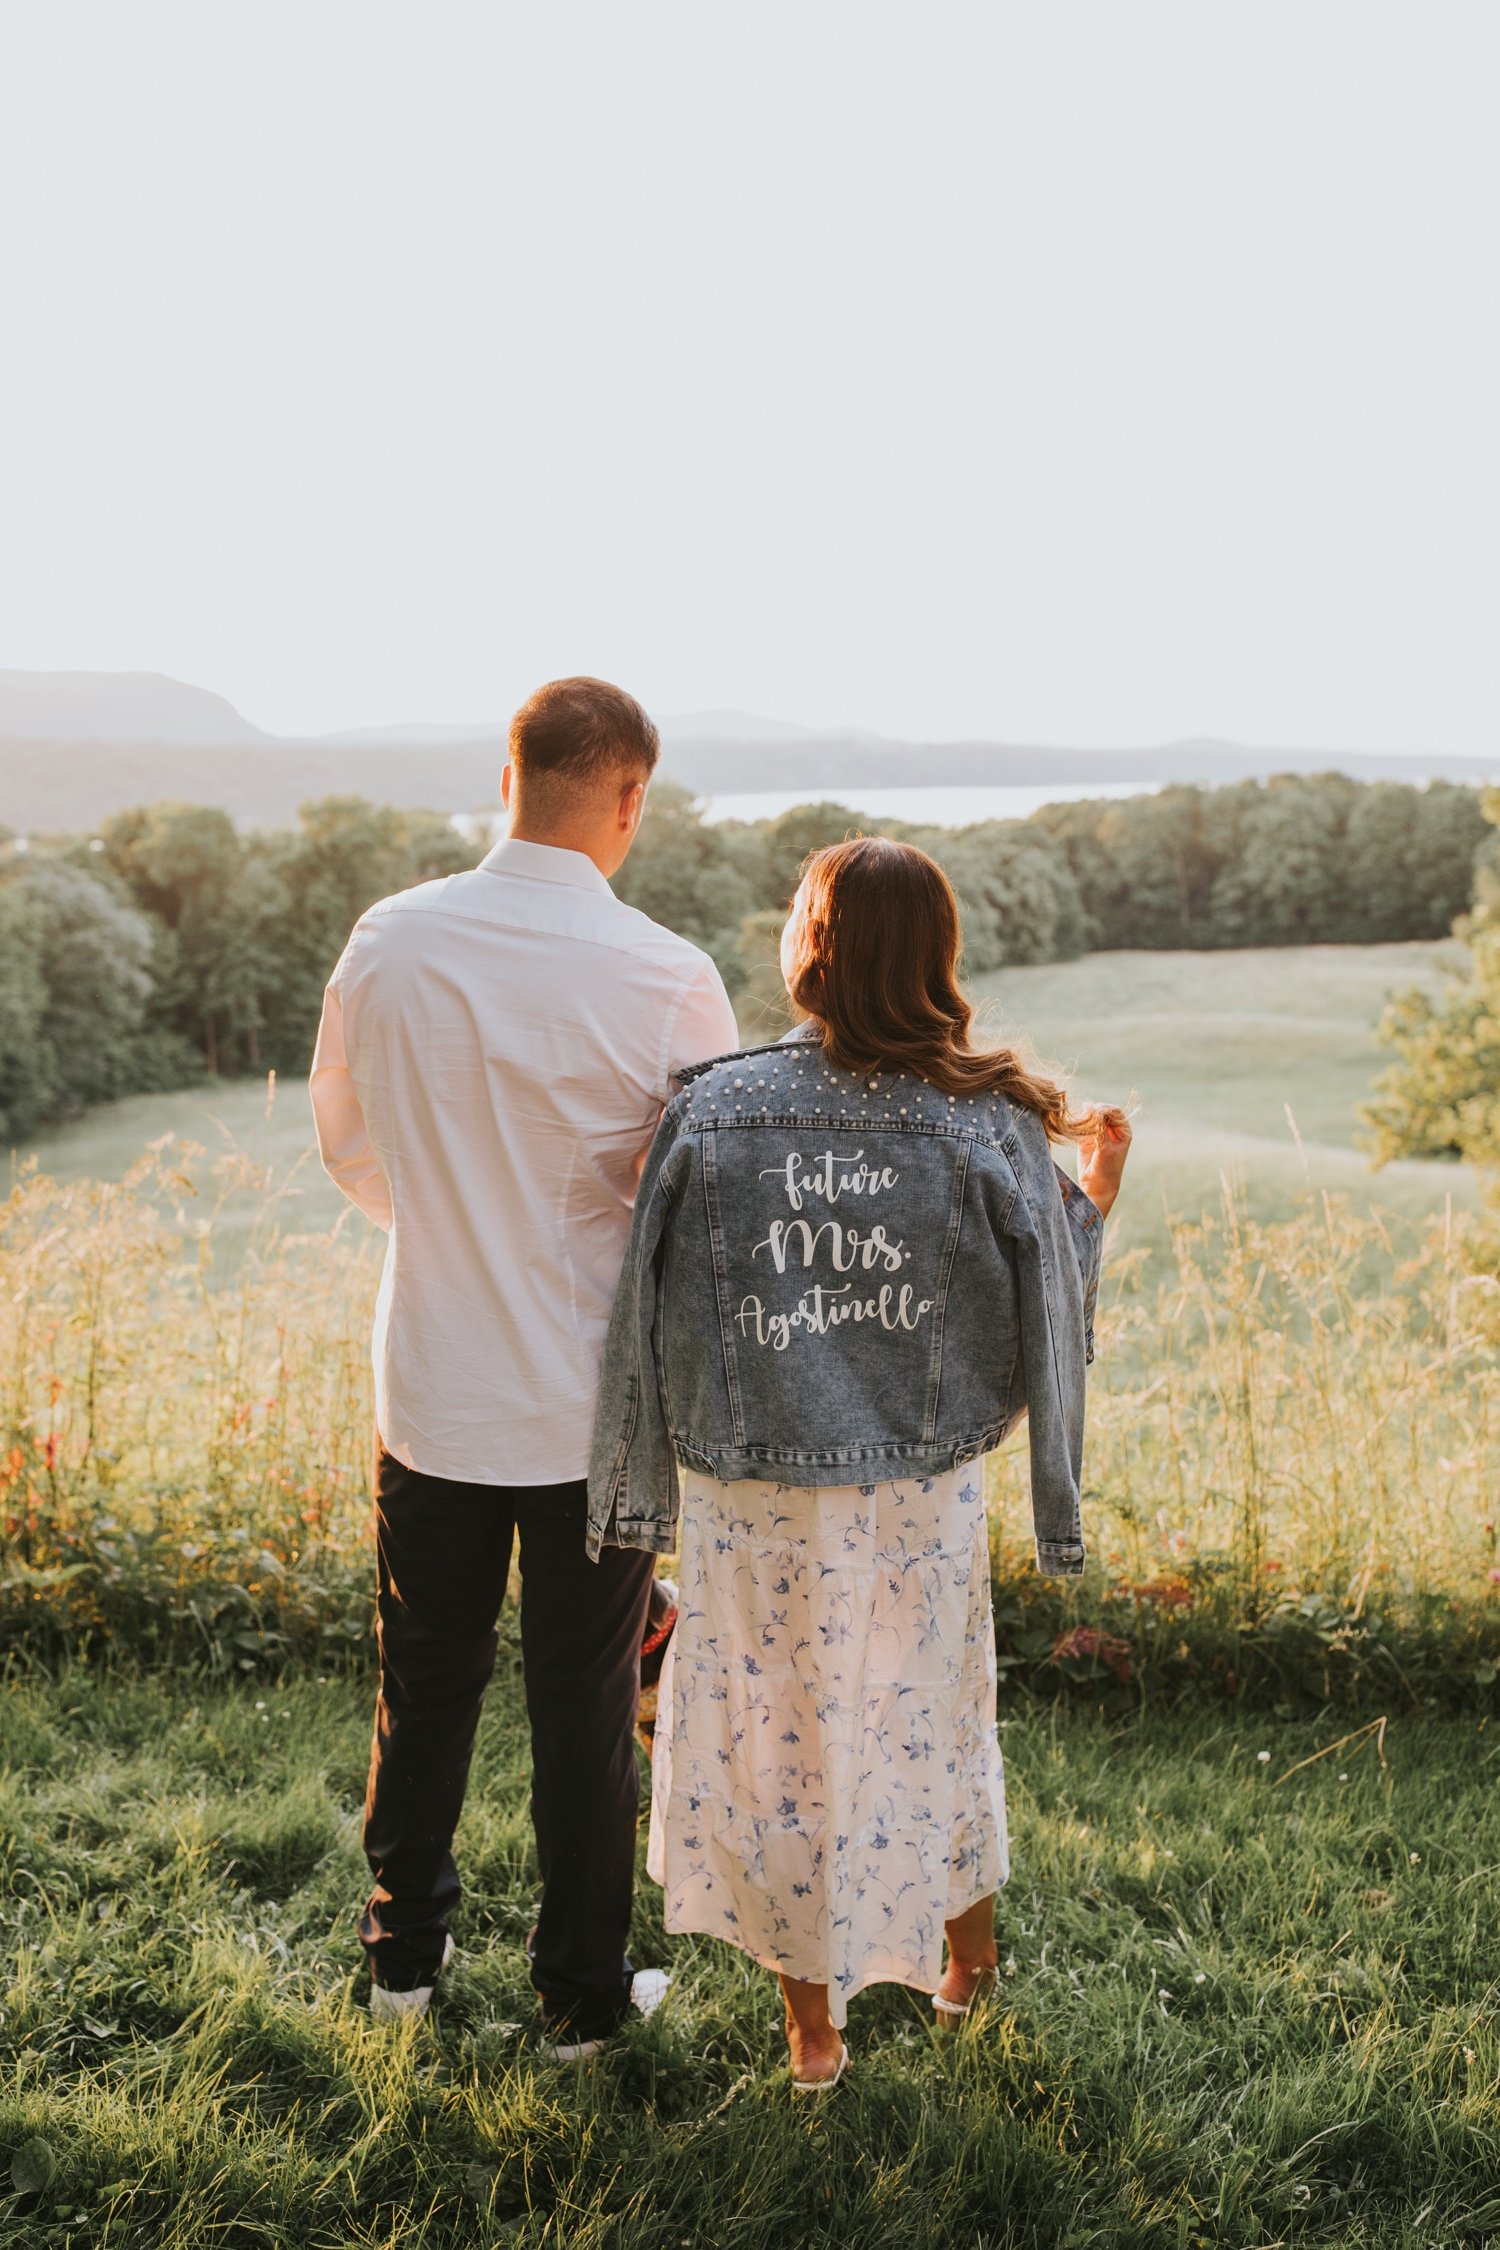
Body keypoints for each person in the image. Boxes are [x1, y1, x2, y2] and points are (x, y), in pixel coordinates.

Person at [589, 836, 1130, 2089]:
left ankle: (813, 2035)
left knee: (778, 1743)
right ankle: (965, 1974)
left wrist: (634, 1492)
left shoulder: (708, 1109)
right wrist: (1095, 1190)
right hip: (919, 1492)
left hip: (747, 1496)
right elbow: (1046, 1311)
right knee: (928, 1718)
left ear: (809, 950)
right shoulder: (986, 1124)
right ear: (934, 959)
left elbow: (643, 1305)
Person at [309, 676, 738, 2053]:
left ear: (510, 779)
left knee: (422, 1675)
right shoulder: (668, 974)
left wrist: (451, 1225)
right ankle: (578, 2004)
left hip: (432, 1377)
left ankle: (402, 1971)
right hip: (588, 1407)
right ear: (628, 798)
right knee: (586, 1703)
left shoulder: (389, 939)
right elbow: (701, 1203)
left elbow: (348, 1143)